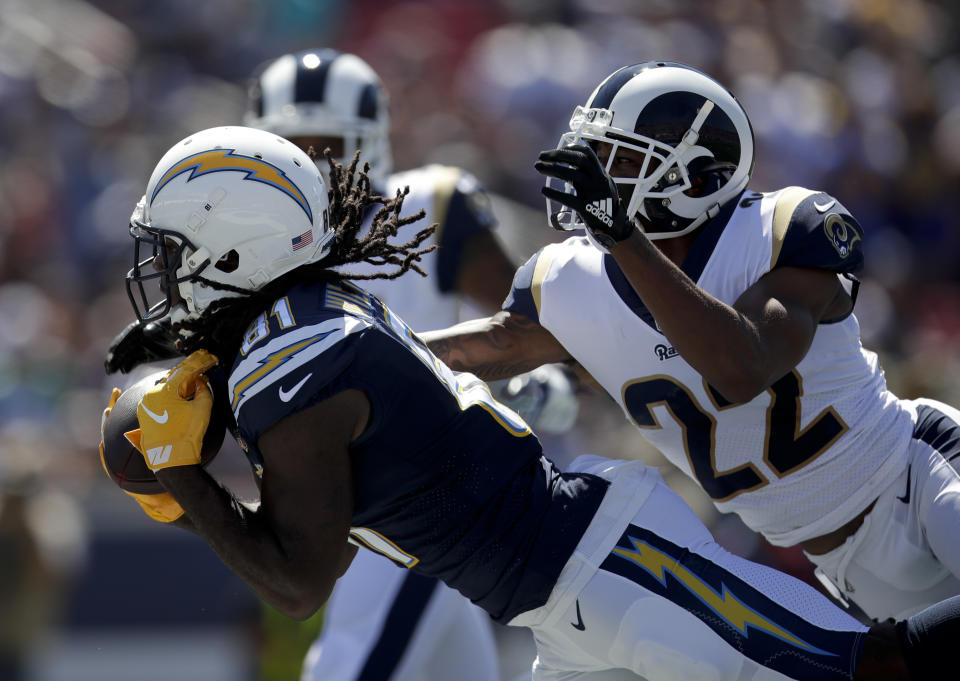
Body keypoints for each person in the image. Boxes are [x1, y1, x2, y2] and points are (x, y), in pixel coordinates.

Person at [103, 124, 959, 681]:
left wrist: (183, 478)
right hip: (555, 601)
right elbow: (295, 529)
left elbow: (296, 579)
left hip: (611, 564)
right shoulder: (296, 325)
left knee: (873, 669)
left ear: (234, 245)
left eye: (175, 249)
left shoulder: (295, 359)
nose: (163, 271)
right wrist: (190, 466)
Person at [419, 61, 960, 623]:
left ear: (699, 177)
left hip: (919, 484)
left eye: (622, 162)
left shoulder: (780, 230)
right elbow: (467, 352)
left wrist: (623, 236)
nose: (597, 181)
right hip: (834, 560)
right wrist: (349, 337)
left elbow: (742, 367)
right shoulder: (566, 280)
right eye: (595, 159)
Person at [244, 48, 575, 681]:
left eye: (328, 144)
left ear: (369, 144)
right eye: (294, 146)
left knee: (345, 667)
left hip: (418, 501)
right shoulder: (250, 249)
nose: (313, 164)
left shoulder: (426, 202)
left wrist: (537, 381)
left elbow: (525, 327)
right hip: (343, 514)